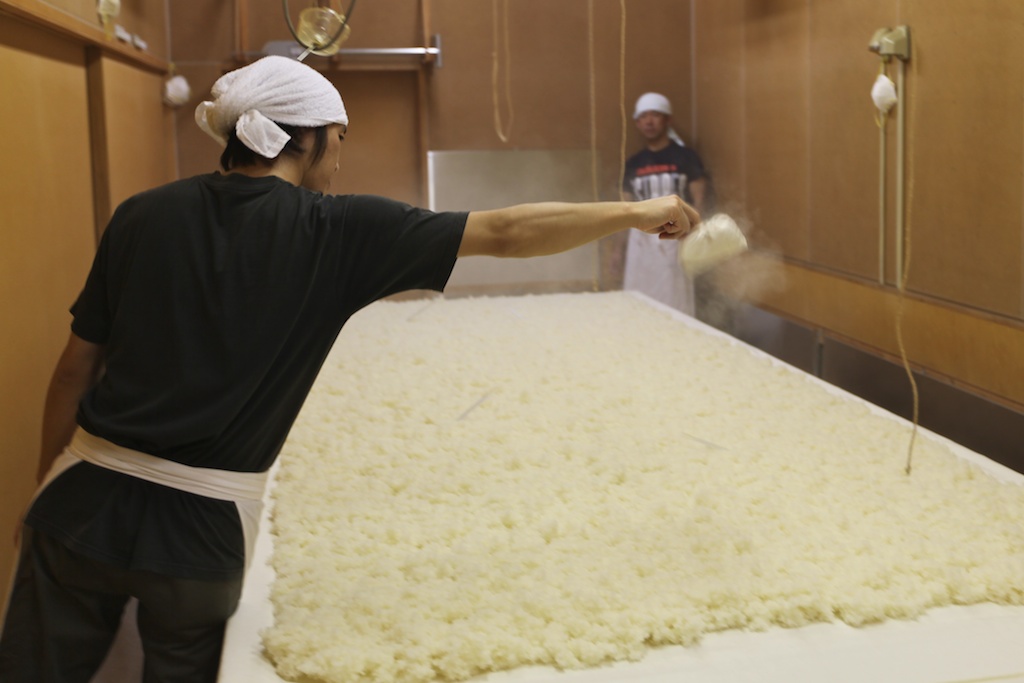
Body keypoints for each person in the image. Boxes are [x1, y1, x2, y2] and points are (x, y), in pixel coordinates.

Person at [0, 56, 699, 682]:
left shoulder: (141, 216)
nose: (339, 157)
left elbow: (74, 368)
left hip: (77, 505)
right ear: (304, 137)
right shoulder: (335, 229)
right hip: (198, 535)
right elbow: (508, 231)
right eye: (340, 138)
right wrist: (640, 211)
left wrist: (44, 489)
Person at [621, 92, 710, 315]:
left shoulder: (685, 157)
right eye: (643, 116)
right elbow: (623, 208)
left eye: (655, 115)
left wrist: (694, 234)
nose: (649, 121)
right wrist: (617, 250)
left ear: (667, 120)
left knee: (674, 300)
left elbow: (699, 199)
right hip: (640, 242)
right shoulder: (633, 163)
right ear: (637, 123)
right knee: (637, 301)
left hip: (675, 237)